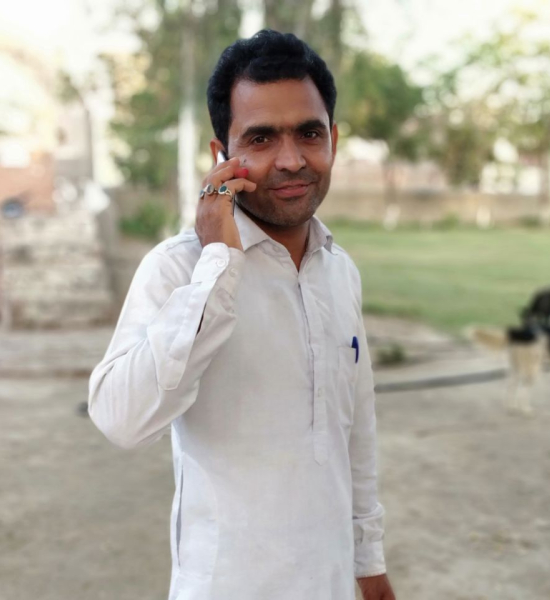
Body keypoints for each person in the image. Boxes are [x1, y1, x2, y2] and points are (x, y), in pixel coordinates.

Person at [88, 29, 395, 600]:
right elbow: (121, 420)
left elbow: (355, 429)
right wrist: (218, 266)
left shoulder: (339, 270)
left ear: (333, 140)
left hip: (329, 583)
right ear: (221, 157)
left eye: (309, 133)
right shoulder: (179, 268)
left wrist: (368, 561)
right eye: (261, 138)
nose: (291, 160)